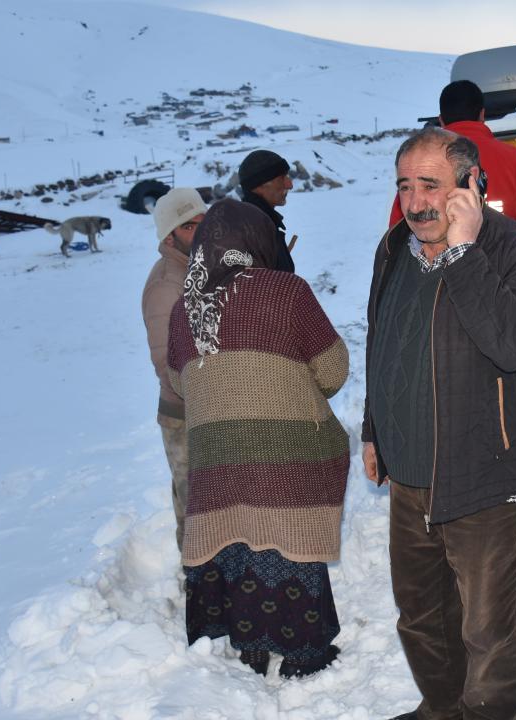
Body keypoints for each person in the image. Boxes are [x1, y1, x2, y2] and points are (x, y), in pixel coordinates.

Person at [363, 127, 516, 720]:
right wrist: (375, 428)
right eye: (405, 186)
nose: (416, 201)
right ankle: (441, 709)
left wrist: (463, 253)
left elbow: (514, 344)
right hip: (410, 472)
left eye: (431, 185)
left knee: (489, 631)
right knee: (421, 616)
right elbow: (386, 342)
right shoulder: (394, 247)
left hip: (484, 471)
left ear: (472, 185)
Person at [167, 198, 350, 677]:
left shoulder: (181, 309)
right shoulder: (287, 292)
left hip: (216, 460)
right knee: (285, 535)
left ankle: (250, 642)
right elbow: (333, 372)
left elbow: (178, 382)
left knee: (235, 539)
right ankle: (302, 652)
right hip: (289, 457)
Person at [388, 80, 516, 248]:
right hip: (505, 269)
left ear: (441, 120)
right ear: (482, 114)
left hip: (437, 271)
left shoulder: (423, 163)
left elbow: (397, 234)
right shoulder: (514, 158)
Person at [143, 187, 206, 549]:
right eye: (189, 226)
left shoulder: (196, 270)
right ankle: (198, 593)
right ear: (170, 234)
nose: (200, 232)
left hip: (206, 410)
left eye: (203, 223)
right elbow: (168, 364)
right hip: (185, 417)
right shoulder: (167, 286)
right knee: (196, 509)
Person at [238, 149, 297, 273]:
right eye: (282, 178)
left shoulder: (259, 224)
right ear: (259, 185)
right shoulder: (254, 232)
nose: (289, 185)